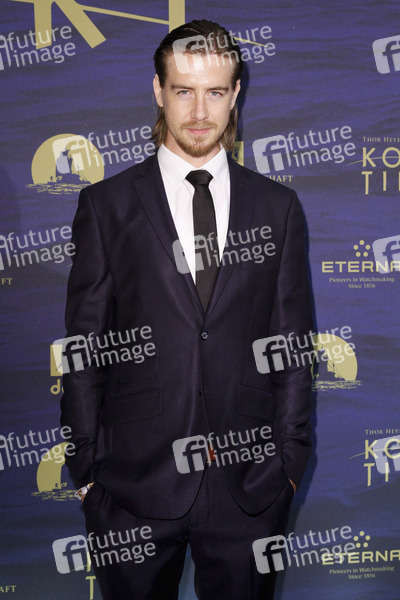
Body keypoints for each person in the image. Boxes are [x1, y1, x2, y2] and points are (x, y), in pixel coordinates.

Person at [60, 19, 313, 600]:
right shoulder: (106, 205)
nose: (199, 112)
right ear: (158, 90)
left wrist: (290, 463)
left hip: (249, 488)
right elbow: (84, 348)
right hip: (132, 485)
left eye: (215, 92)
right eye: (183, 90)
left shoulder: (277, 207)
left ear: (236, 94)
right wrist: (88, 472)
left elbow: (292, 345)